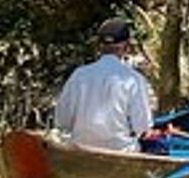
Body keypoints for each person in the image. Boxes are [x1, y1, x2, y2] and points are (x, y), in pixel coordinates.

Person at [55, 17, 156, 153]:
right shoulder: (133, 79)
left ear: (99, 46)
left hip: (80, 149)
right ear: (126, 47)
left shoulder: (79, 75)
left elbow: (62, 121)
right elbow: (142, 127)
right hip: (120, 151)